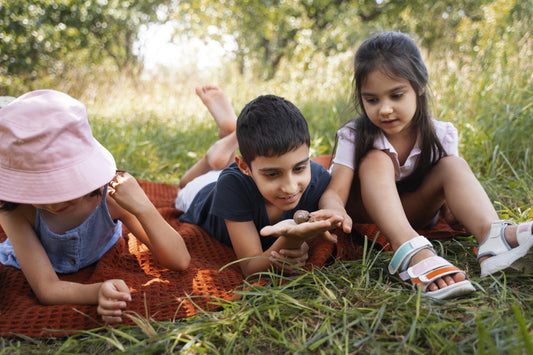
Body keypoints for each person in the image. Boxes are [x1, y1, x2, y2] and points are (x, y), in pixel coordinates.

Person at [319, 31, 533, 300]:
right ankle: (411, 250)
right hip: (364, 212)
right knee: (376, 159)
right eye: (372, 100)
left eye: (396, 95)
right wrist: (333, 210)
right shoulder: (355, 133)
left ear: (420, 85)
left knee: (453, 165)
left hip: (414, 210)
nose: (384, 109)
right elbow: (335, 191)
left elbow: (448, 203)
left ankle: (494, 238)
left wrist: (456, 211)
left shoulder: (441, 135)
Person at [0, 90, 191, 323]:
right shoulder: (15, 210)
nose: (54, 202)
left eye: (64, 186)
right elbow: (47, 288)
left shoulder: (109, 196)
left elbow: (179, 261)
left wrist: (144, 207)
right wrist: (97, 291)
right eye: (39, 190)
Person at [176, 91, 343, 277]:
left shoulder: (316, 176)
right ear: (244, 166)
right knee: (183, 185)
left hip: (246, 172)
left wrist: (333, 212)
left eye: (299, 168)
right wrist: (291, 239)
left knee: (232, 166)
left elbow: (332, 198)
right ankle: (216, 153)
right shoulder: (231, 186)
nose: (290, 187)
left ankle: (231, 137)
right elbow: (250, 268)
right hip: (202, 192)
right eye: (272, 174)